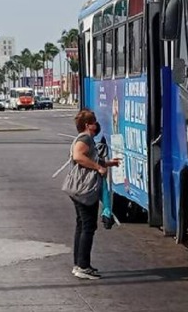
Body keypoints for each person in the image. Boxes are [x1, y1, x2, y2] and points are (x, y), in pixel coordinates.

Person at [70, 109, 119, 280]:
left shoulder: (86, 139)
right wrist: (98, 167)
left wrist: (107, 163)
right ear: (87, 125)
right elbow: (78, 156)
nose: (96, 125)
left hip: (79, 189)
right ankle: (83, 266)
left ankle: (78, 264)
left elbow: (90, 158)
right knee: (88, 227)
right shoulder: (85, 139)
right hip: (85, 189)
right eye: (94, 122)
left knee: (82, 226)